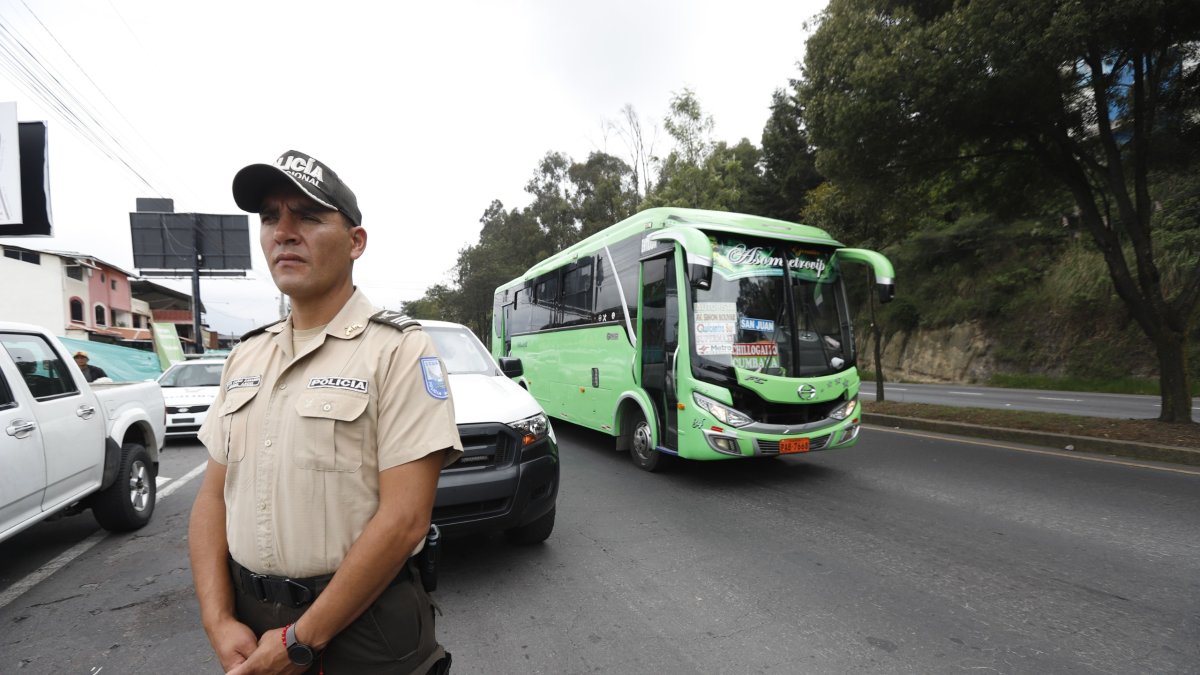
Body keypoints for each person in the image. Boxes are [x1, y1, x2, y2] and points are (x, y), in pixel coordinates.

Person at [188, 150, 462, 674]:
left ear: (356, 242)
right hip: (249, 622)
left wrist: (299, 641)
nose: (283, 232)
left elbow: (405, 520)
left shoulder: (398, 350)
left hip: (365, 629)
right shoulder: (245, 355)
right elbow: (211, 498)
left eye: (308, 216)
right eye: (271, 217)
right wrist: (217, 618)